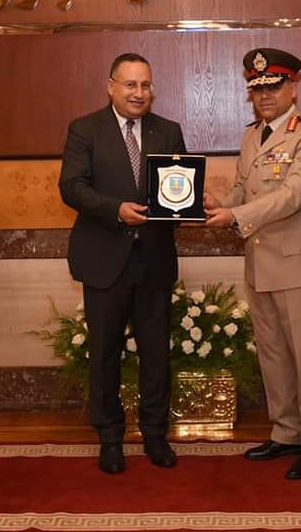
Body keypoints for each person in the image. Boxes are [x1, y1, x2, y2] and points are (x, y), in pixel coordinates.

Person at [204, 48, 301, 480]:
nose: (264, 96)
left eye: (273, 87)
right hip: (260, 261)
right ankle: (286, 432)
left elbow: (296, 192)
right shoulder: (252, 135)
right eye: (256, 88)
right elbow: (243, 188)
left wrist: (235, 215)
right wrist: (217, 205)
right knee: (274, 355)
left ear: (293, 88)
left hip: (298, 263)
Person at [59, 52, 186, 475]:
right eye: (130, 84)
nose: (138, 93)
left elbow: (179, 188)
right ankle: (110, 438)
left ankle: (155, 435)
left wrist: (190, 201)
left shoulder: (168, 131)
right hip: (104, 260)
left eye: (145, 85)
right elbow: (71, 187)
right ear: (111, 86)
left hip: (154, 261)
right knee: (104, 354)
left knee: (157, 354)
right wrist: (116, 210)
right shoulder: (85, 129)